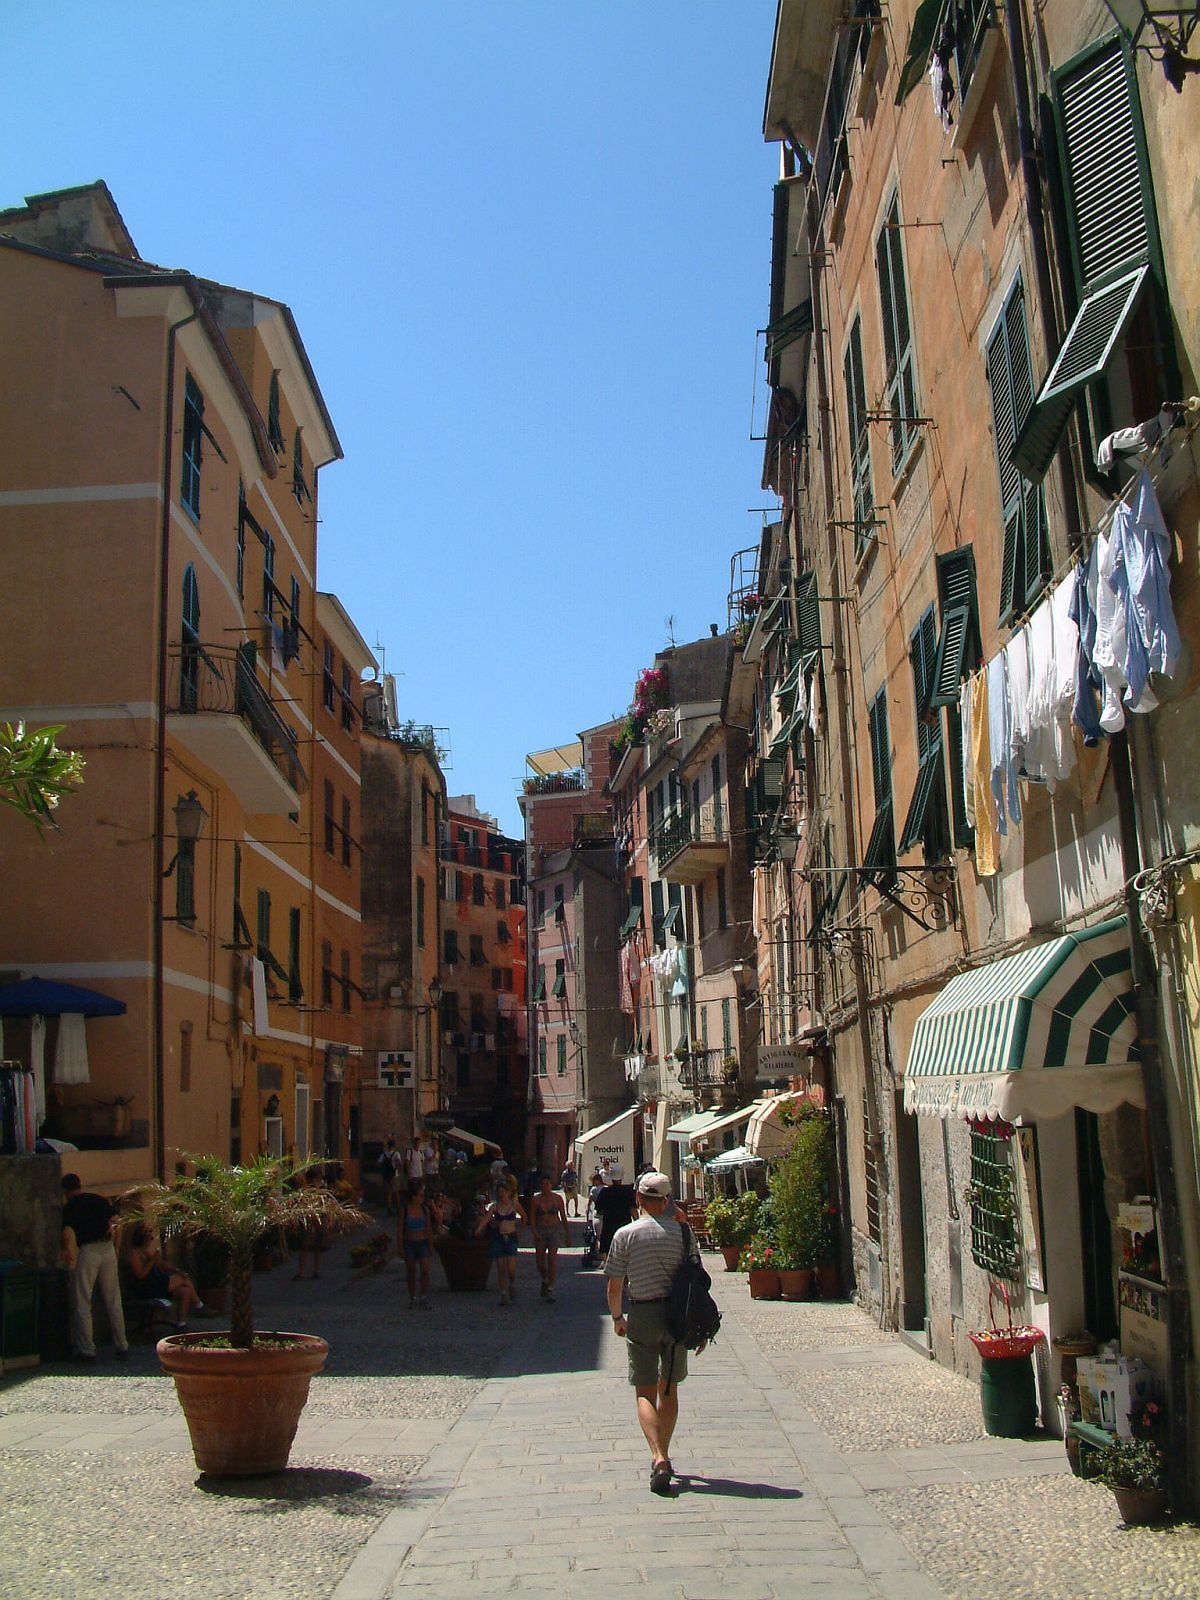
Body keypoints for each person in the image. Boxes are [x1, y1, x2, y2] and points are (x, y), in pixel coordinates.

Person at [604, 1171, 700, 1495]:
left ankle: (658, 1457)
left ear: (639, 1199)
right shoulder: (684, 1234)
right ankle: (666, 1453)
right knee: (668, 1388)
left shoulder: (625, 1235)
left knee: (644, 1390)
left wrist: (618, 1317)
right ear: (667, 1201)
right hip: (676, 1315)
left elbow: (615, 1284)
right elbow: (697, 1277)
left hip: (642, 1312)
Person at [61, 1174, 128, 1362]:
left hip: (88, 1250)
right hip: (107, 1248)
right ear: (80, 1185)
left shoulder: (70, 1207)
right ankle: (122, 1345)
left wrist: (67, 1251)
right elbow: (118, 1223)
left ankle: (87, 1350)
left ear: (66, 1191)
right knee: (113, 1299)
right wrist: (116, 1248)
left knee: (83, 1301)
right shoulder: (98, 1199)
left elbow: (67, 1232)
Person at [127, 1222, 208, 1325]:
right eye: (148, 1233)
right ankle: (199, 1306)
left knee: (185, 1290)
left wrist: (176, 1270)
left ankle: (181, 1323)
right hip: (147, 1287)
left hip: (157, 1282)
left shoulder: (146, 1250)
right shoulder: (134, 1253)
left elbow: (160, 1264)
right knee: (183, 1279)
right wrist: (151, 1261)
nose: (151, 1236)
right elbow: (140, 1275)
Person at [477, 1176, 526, 1306]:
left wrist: (520, 1231)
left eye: (503, 1191)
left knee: (511, 1268)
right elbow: (486, 1219)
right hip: (499, 1238)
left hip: (511, 1237)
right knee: (500, 1268)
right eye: (499, 1192)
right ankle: (503, 1293)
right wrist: (479, 1229)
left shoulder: (515, 1205)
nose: (501, 1194)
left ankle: (511, 1283)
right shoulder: (495, 1207)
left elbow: (524, 1217)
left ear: (509, 1192)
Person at [530, 1175, 569, 1300]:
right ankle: (545, 1279)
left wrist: (567, 1234)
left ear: (551, 1185)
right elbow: (532, 1218)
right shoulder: (536, 1200)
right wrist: (535, 1232)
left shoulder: (557, 1199)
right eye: (543, 1184)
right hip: (541, 1230)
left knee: (552, 1260)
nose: (545, 1186)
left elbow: (563, 1217)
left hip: (554, 1230)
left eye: (548, 1183)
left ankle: (550, 1288)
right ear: (540, 1185)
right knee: (539, 1262)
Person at [398, 1178, 436, 1309]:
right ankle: (413, 1297)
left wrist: (430, 1245)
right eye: (420, 1195)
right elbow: (400, 1229)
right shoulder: (405, 1210)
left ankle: (423, 1297)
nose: (422, 1198)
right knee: (411, 1271)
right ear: (413, 1197)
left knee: (425, 1271)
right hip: (409, 1243)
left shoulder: (425, 1210)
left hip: (423, 1243)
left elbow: (429, 1228)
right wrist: (400, 1246)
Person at [593, 1162, 636, 1258]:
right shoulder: (628, 1191)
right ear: (622, 1176)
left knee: (609, 1258)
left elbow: (599, 1210)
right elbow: (634, 1212)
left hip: (609, 1228)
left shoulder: (605, 1192)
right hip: (625, 1227)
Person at [377, 1139, 400, 1214]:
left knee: (389, 1192)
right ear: (394, 1146)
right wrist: (397, 1170)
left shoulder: (384, 1154)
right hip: (394, 1175)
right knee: (396, 1192)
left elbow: (378, 1163)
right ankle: (398, 1207)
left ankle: (389, 1208)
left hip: (386, 1175)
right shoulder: (396, 1154)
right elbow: (399, 1163)